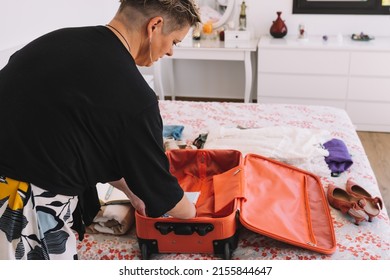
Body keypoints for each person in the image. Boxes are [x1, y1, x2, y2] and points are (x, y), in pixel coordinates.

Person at [0, 0, 201, 260]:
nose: (172, 52)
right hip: (21, 201)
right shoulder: (135, 97)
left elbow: (82, 136)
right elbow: (164, 192)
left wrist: (130, 189)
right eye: (175, 41)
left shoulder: (57, 40)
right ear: (155, 26)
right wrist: (194, 212)